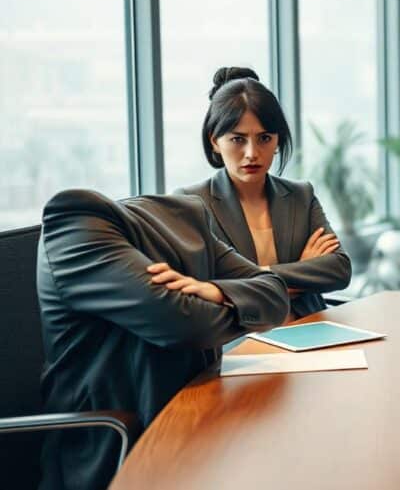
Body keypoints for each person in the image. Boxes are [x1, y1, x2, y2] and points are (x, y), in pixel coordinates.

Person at [37, 189, 290, 490]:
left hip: (197, 430)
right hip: (119, 450)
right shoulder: (74, 224)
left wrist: (216, 291)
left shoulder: (192, 219)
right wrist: (233, 309)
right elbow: (185, 325)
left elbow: (276, 292)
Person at [178, 67, 351, 319]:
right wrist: (301, 271)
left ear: (277, 140)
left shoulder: (300, 195)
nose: (252, 153)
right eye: (238, 139)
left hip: (310, 330)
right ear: (215, 140)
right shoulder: (191, 203)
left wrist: (253, 280)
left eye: (264, 138)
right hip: (241, 340)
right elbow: (201, 291)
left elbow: (339, 270)